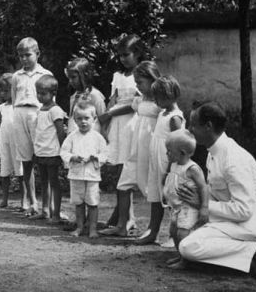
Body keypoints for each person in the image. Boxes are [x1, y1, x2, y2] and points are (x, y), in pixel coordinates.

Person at [177, 102, 256, 280]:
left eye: (193, 124)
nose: (190, 129)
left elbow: (244, 210)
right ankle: (249, 253)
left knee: (188, 247)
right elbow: (217, 192)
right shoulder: (214, 152)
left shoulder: (233, 159)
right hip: (230, 221)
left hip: (249, 225)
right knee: (185, 239)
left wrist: (202, 204)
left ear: (208, 126)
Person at [100, 60, 161, 237]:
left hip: (150, 151)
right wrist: (109, 114)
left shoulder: (160, 102)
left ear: (152, 80)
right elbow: (129, 107)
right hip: (135, 151)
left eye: (140, 82)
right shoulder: (140, 99)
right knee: (123, 186)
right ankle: (122, 225)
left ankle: (152, 230)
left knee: (154, 192)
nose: (138, 86)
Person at [98, 35, 144, 231]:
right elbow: (113, 99)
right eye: (120, 55)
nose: (123, 59)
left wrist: (110, 113)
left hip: (131, 123)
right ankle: (126, 216)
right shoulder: (118, 76)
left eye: (127, 54)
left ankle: (123, 218)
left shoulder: (141, 74)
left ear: (137, 53)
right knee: (118, 170)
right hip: (117, 124)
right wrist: (106, 121)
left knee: (127, 170)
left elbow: (136, 103)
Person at [136, 75, 185, 245]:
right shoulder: (163, 113)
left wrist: (171, 169)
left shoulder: (175, 118)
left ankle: (174, 235)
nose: (155, 101)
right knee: (156, 197)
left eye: (158, 97)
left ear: (169, 96)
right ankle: (152, 231)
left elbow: (178, 145)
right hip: (156, 162)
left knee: (171, 199)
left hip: (167, 163)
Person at [11, 37, 52, 217]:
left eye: (28, 55)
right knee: (26, 160)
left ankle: (46, 205)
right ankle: (32, 201)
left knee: (42, 158)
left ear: (37, 54)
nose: (24, 59)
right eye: (21, 56)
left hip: (38, 115)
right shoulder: (16, 76)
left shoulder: (45, 74)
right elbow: (13, 100)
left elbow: (51, 102)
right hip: (20, 114)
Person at [162, 129, 209, 268]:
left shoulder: (192, 169)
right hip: (176, 206)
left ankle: (186, 261)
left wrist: (204, 207)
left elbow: (203, 187)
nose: (167, 153)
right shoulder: (174, 164)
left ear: (182, 152)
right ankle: (180, 254)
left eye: (169, 151)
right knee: (173, 231)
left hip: (188, 207)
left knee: (183, 233)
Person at [60, 102, 108, 238]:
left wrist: (96, 158)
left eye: (86, 118)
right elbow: (63, 152)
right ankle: (80, 227)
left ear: (94, 119)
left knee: (93, 203)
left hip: (92, 176)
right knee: (78, 203)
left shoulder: (98, 138)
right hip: (76, 175)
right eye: (79, 119)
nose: (83, 122)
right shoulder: (72, 137)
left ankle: (92, 229)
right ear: (74, 120)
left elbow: (105, 153)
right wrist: (72, 157)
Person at [32, 74, 66, 222]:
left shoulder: (55, 110)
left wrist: (63, 151)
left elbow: (60, 131)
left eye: (43, 93)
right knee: (43, 181)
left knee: (54, 182)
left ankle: (56, 214)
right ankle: (45, 210)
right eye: (38, 93)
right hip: (41, 151)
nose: (40, 96)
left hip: (52, 152)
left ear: (53, 94)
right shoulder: (40, 110)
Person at [0, 73, 26, 210]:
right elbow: (2, 126)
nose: (3, 93)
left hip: (17, 142)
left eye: (6, 90)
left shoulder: (19, 106)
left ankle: (24, 200)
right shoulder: (2, 107)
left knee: (20, 170)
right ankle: (4, 198)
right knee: (4, 169)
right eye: (1, 90)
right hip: (4, 141)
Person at [65, 57, 106, 135]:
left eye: (73, 77)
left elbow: (103, 119)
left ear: (84, 75)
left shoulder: (95, 95)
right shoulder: (74, 96)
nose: (70, 81)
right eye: (69, 78)